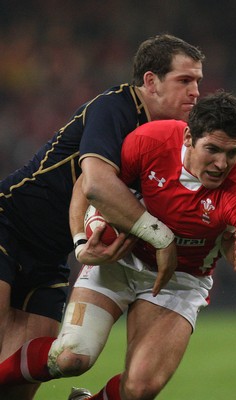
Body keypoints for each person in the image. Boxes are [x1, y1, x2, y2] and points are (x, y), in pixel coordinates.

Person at [0, 91, 236, 399]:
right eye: (212, 149)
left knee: (140, 389)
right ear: (189, 137)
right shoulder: (151, 141)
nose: (221, 163)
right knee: (71, 356)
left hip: (181, 281)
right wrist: (84, 236)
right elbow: (91, 180)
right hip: (120, 260)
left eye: (232, 153)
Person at [0, 33, 206, 400]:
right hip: (8, 224)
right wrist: (161, 238)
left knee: (21, 388)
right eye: (184, 80)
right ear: (150, 82)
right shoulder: (117, 106)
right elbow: (95, 183)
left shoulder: (177, 141)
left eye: (198, 82)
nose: (195, 92)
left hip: (50, 260)